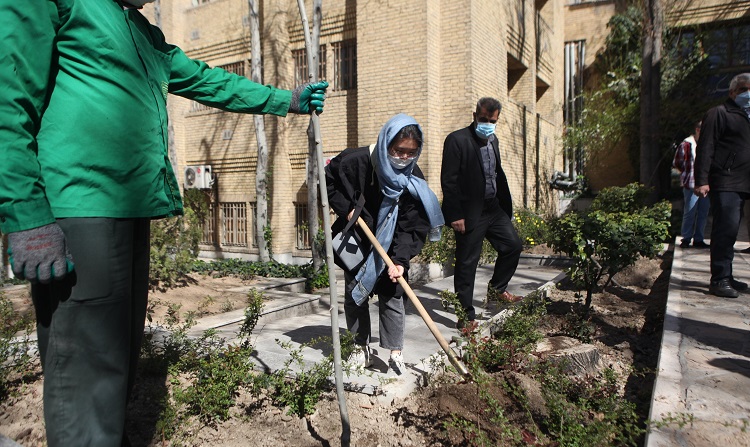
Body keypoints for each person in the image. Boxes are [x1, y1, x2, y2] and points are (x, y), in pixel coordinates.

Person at [0, 1, 328, 445]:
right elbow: (8, 95)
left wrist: (285, 100)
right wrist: (26, 213)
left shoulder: (143, 33)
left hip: (129, 208)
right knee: (86, 371)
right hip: (78, 210)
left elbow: (209, 81)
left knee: (117, 363)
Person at [325, 114, 444, 375]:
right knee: (355, 294)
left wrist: (400, 260)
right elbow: (328, 180)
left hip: (391, 243)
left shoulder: (413, 177)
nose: (404, 158)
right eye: (398, 150)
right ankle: (360, 347)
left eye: (411, 153)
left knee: (393, 294)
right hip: (358, 238)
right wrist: (347, 209)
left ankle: (395, 352)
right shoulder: (356, 160)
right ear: (386, 142)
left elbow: (411, 223)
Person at [440, 97, 523, 330]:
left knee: (513, 246)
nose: (488, 124)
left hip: (493, 208)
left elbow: (495, 173)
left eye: (492, 121)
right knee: (467, 263)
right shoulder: (457, 140)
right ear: (475, 115)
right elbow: (449, 180)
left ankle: (497, 289)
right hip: (469, 212)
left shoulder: (493, 140)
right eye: (484, 119)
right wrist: (455, 215)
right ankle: (465, 316)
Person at [694, 73, 750, 298]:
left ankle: (728, 274)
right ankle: (719, 279)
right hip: (726, 181)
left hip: (745, 182)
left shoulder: (747, 116)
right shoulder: (718, 113)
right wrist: (701, 180)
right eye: (744, 89)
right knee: (725, 230)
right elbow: (705, 147)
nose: (748, 94)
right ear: (732, 92)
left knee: (734, 231)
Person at [673, 120, 710, 249]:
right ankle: (686, 238)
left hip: (706, 185)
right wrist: (687, 174)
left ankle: (699, 239)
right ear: (698, 130)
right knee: (690, 212)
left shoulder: (708, 144)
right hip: (691, 184)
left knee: (703, 212)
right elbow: (677, 162)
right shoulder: (686, 144)